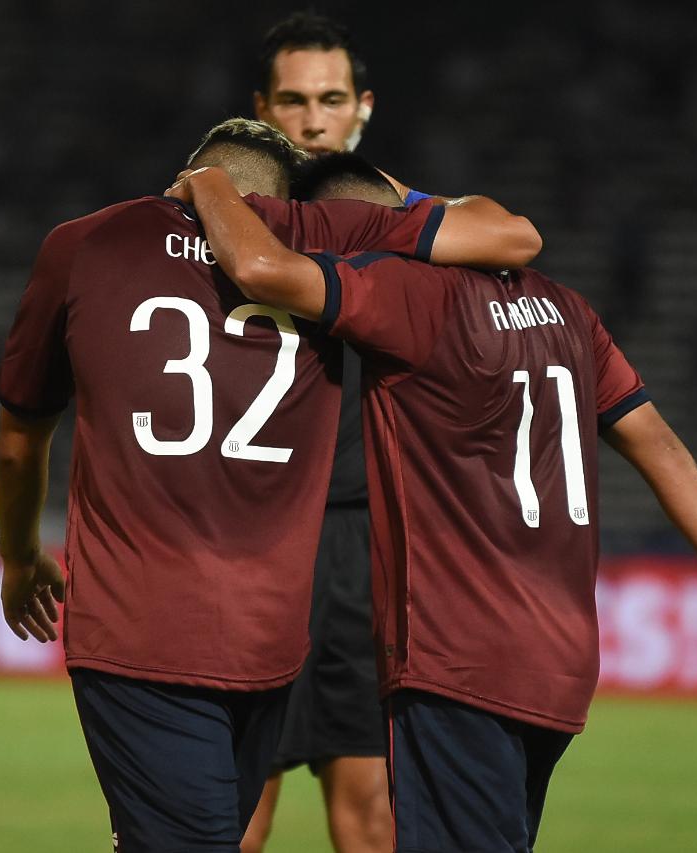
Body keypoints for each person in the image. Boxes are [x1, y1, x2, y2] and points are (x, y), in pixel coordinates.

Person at [170, 156, 697, 853]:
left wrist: (208, 184)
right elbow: (659, 443)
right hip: (560, 666)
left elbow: (261, 270)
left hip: (460, 659)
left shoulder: (408, 299)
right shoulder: (567, 307)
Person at [0, 118, 540, 852]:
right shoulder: (323, 236)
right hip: (271, 638)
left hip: (137, 628)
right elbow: (512, 237)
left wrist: (20, 555)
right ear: (280, 204)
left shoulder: (85, 241)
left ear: (185, 178)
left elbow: (19, 443)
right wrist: (383, 197)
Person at [246, 14, 422, 851]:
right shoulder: (215, 236)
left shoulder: (410, 235)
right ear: (261, 110)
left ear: (362, 108)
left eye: (330, 99)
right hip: (250, 541)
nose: (312, 119)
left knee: (373, 812)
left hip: (361, 544)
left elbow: (519, 237)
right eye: (293, 100)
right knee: (235, 816)